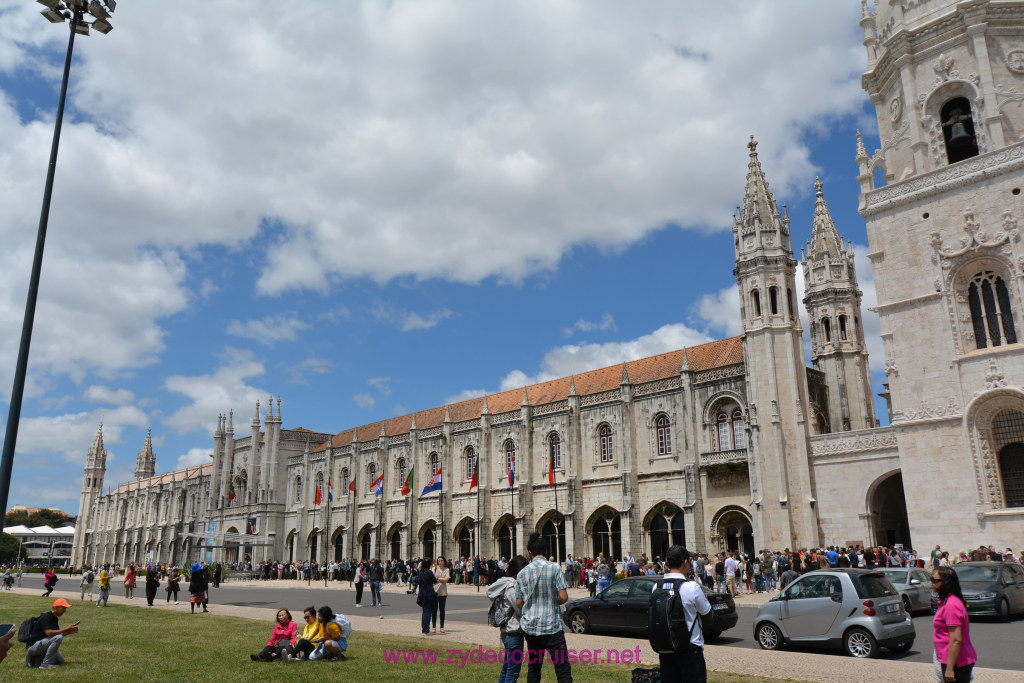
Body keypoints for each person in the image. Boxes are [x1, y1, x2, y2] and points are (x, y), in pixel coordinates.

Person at [515, 532, 571, 683]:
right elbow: (564, 597)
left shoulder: (522, 573)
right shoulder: (555, 568)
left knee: (534, 669)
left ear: (530, 553)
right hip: (552, 626)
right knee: (562, 669)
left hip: (531, 627)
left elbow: (519, 603)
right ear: (546, 551)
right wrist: (553, 599)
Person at [651, 546, 712, 683]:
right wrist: (705, 601)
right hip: (690, 649)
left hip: (666, 649)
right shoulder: (692, 587)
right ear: (685, 562)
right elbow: (709, 618)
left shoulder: (656, 587)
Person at [932, 565, 977, 683]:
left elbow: (956, 640)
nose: (932, 583)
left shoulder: (951, 605)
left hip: (957, 662)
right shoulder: (947, 601)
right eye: (931, 580)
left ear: (946, 583)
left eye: (935, 581)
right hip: (950, 659)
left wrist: (950, 669)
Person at [487, 555, 527, 683]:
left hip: (508, 632)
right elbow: (519, 609)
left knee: (506, 669)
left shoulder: (505, 583)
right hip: (513, 632)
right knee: (512, 673)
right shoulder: (512, 586)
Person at [25, 598, 79, 669]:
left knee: (60, 660)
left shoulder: (55, 618)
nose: (65, 611)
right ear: (56, 608)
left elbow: (56, 635)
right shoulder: (46, 617)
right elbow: (49, 633)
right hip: (33, 647)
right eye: (63, 608)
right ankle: (45, 665)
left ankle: (33, 659)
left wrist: (69, 632)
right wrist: (66, 629)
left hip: (41, 645)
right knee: (59, 637)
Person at [417, 558, 438, 635]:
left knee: (424, 612)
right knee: (428, 612)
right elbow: (434, 581)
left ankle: (424, 629)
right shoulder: (429, 572)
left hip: (422, 593)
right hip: (428, 593)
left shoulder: (421, 572)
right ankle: (426, 630)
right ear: (429, 564)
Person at [433, 556, 451, 634]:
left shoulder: (447, 569)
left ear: (444, 562)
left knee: (442, 610)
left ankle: (442, 627)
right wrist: (442, 579)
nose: (440, 562)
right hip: (435, 591)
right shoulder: (434, 569)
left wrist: (438, 579)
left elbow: (446, 580)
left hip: (443, 592)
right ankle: (433, 627)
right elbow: (432, 579)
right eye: (439, 560)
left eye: (441, 560)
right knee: (434, 610)